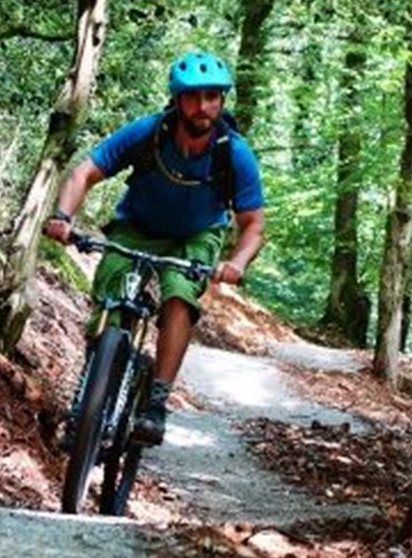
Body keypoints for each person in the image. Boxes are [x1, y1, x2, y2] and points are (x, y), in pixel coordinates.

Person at [44, 51, 266, 446]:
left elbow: (252, 226)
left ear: (222, 100)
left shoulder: (234, 153)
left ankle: (156, 403)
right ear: (177, 100)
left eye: (213, 96)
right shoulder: (148, 133)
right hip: (137, 228)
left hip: (195, 237)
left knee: (179, 297)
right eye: (194, 97)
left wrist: (236, 262)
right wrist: (63, 215)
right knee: (111, 294)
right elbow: (84, 172)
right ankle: (89, 400)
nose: (203, 107)